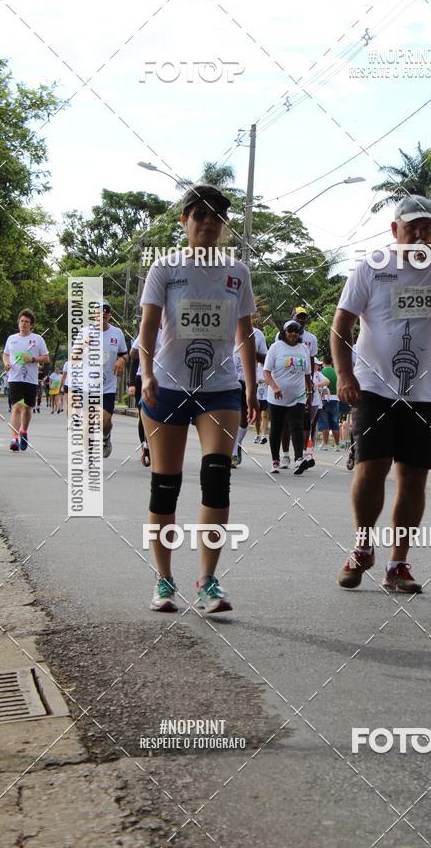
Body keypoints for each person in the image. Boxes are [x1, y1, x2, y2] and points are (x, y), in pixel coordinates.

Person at [332, 195, 431, 593]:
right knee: (371, 468)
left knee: (413, 477)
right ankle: (362, 547)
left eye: (426, 227)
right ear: (395, 230)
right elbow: (340, 325)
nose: (419, 234)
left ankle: (398, 564)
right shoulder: (371, 267)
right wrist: (345, 375)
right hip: (374, 386)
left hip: (426, 391)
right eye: (411, 226)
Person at [140, 183, 258, 614]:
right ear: (184, 221)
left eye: (217, 216)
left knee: (216, 476)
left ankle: (208, 580)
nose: (209, 222)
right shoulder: (166, 269)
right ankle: (164, 579)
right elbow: (149, 326)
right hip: (167, 386)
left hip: (220, 388)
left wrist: (251, 385)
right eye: (200, 215)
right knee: (165, 485)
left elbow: (244, 333)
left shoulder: (237, 273)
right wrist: (147, 372)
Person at [71, 301, 128, 458]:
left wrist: (121, 361)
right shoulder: (84, 332)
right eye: (98, 310)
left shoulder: (117, 333)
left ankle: (105, 437)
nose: (102, 313)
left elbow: (125, 353)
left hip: (107, 386)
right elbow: (74, 358)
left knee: (105, 421)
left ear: (110, 315)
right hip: (86, 386)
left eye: (106, 310)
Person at [263, 321, 312, 474]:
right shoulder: (276, 347)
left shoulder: (304, 349)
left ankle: (298, 459)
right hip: (277, 397)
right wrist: (275, 387)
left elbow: (307, 374)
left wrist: (309, 393)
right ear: (284, 332)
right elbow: (266, 371)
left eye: (296, 331)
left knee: (296, 426)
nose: (293, 334)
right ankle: (275, 461)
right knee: (276, 428)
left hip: (298, 396)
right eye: (290, 331)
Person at [2, 309, 50, 451]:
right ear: (18, 322)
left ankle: (24, 432)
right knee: (17, 407)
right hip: (14, 378)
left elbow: (46, 358)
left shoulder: (37, 339)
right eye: (22, 321)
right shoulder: (11, 338)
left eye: (27, 322)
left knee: (28, 409)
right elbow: (5, 354)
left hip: (30, 380)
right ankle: (15, 439)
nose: (23, 324)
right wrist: (6, 363)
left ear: (31, 325)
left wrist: (33, 359)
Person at [276, 306, 317, 468]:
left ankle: (300, 456)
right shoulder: (281, 336)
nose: (300, 319)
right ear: (292, 316)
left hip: (301, 385)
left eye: (303, 317)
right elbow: (276, 359)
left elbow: (311, 363)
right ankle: (285, 454)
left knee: (300, 422)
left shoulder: (311, 339)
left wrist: (310, 386)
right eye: (298, 316)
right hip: (284, 384)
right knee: (285, 422)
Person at [231, 320, 266, 467]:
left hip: (247, 380)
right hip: (228, 379)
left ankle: (236, 445)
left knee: (243, 418)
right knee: (229, 414)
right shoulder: (225, 328)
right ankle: (231, 452)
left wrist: (250, 351)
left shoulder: (257, 335)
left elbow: (265, 358)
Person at [129, 325, 162, 466]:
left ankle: (156, 445)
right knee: (145, 414)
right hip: (144, 378)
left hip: (166, 378)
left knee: (161, 415)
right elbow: (133, 353)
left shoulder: (175, 330)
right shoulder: (149, 330)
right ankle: (146, 447)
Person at [317, 355, 341, 450]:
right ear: (332, 362)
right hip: (336, 399)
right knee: (335, 422)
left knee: (324, 421)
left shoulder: (321, 373)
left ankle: (325, 444)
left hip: (324, 399)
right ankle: (337, 445)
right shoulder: (336, 372)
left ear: (323, 362)